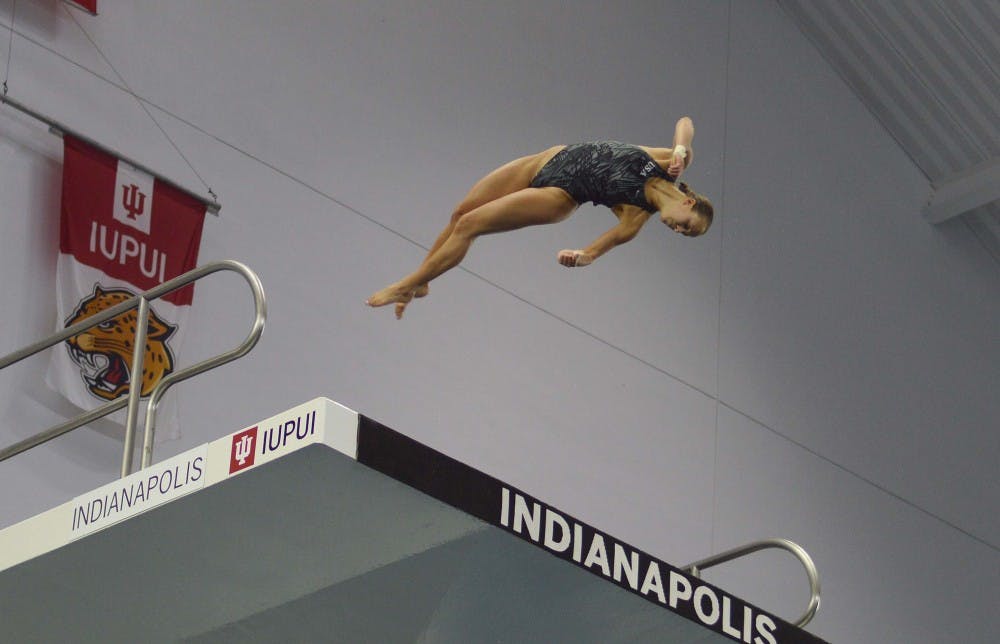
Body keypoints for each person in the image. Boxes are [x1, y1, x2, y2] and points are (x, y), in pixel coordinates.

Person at [366, 116, 713, 319]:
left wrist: (580, 257)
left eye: (683, 234)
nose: (676, 230)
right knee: (460, 212)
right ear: (687, 202)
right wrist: (681, 149)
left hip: (559, 196)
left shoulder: (636, 218)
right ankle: (424, 281)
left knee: (470, 226)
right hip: (549, 159)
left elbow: (594, 250)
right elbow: (686, 124)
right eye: (686, 225)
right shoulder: (670, 164)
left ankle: (406, 284)